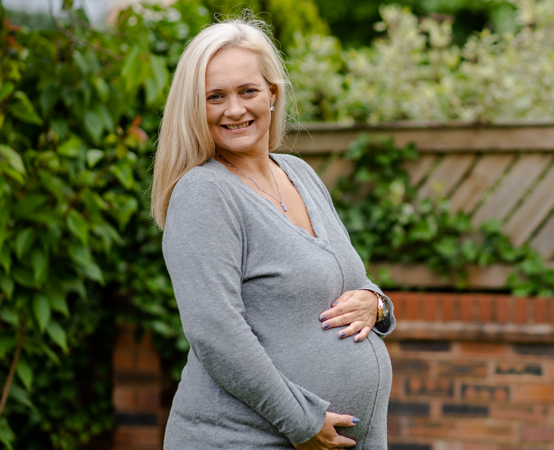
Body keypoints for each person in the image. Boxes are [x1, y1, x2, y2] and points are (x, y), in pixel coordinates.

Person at [149, 17, 395, 450]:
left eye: (248, 91)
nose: (235, 109)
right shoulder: (204, 193)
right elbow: (215, 332)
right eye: (215, 97)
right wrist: (301, 421)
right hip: (246, 439)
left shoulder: (299, 173)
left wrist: (376, 303)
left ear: (272, 95)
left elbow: (346, 277)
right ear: (195, 108)